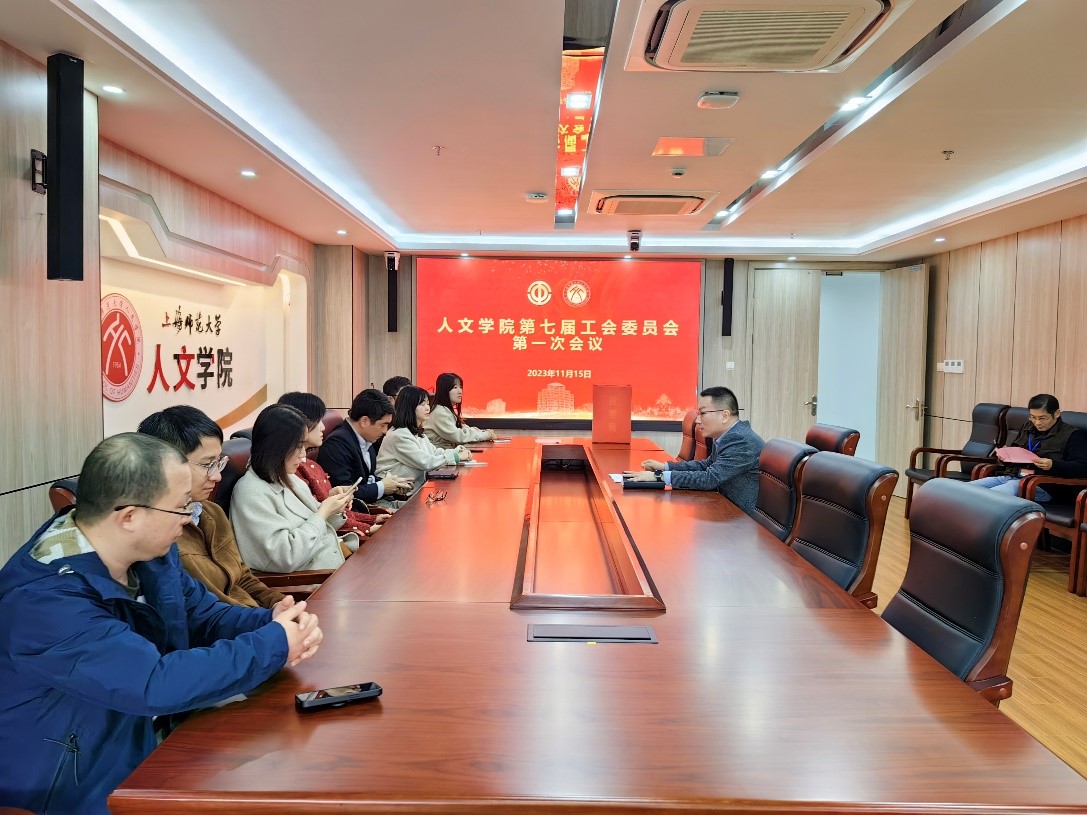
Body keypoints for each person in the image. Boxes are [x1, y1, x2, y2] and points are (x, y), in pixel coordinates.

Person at [0, 433, 322, 813]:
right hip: (73, 782)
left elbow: (203, 615)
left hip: (150, 738)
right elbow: (153, 682)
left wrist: (272, 621)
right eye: (182, 506)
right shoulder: (43, 602)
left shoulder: (151, 551)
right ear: (130, 517)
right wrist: (274, 643)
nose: (190, 517)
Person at [137, 405, 287, 608]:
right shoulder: (159, 534)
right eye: (207, 465)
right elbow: (206, 612)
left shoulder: (211, 511)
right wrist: (268, 620)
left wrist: (279, 603)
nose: (217, 477)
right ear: (166, 465)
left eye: (218, 463)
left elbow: (242, 576)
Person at [231, 404, 359, 572]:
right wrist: (323, 512)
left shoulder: (288, 477)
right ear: (277, 447)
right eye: (298, 446)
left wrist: (333, 505)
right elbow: (285, 556)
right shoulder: (250, 492)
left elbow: (317, 525)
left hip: (331, 561)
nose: (303, 455)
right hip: (309, 579)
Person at [626, 386, 764, 514]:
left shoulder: (741, 441)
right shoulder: (727, 436)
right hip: (725, 509)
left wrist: (659, 477)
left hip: (741, 518)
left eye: (702, 413)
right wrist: (665, 467)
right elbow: (706, 465)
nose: (697, 420)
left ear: (725, 416)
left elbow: (709, 478)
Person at [277, 391, 391, 537]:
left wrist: (371, 519)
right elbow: (319, 517)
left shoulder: (311, 465)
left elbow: (332, 511)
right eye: (318, 421)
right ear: (297, 423)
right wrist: (367, 528)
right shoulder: (293, 471)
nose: (323, 427)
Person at [970, 393, 1087, 502]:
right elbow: (1015, 454)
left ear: (1056, 414)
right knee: (967, 490)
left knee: (990, 498)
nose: (1037, 423)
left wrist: (1053, 464)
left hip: (1041, 485)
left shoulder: (1071, 435)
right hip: (1013, 477)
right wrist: (1005, 457)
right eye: (1033, 417)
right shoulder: (1027, 427)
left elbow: (1082, 467)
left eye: (1042, 418)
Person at [317, 388, 412, 510]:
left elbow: (366, 479)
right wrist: (382, 487)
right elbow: (345, 492)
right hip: (355, 511)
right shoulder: (336, 444)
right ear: (364, 421)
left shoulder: (366, 438)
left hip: (374, 504)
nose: (385, 431)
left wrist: (394, 485)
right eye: (382, 425)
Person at [376, 385, 471, 496]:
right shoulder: (399, 435)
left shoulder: (417, 432)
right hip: (393, 497)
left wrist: (457, 452)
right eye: (422, 404)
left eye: (427, 404)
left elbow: (434, 452)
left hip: (411, 492)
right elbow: (426, 462)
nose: (427, 408)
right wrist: (456, 457)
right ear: (409, 407)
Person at [424, 371, 497, 449]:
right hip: (440, 454)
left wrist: (483, 433)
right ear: (444, 390)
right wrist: (485, 435)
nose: (460, 391)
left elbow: (463, 428)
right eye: (455, 387)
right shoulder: (440, 412)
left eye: (460, 387)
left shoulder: (445, 410)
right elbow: (459, 436)